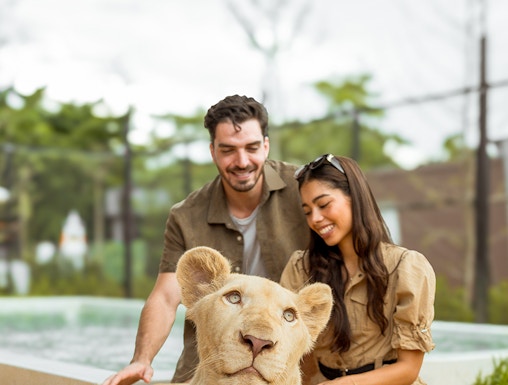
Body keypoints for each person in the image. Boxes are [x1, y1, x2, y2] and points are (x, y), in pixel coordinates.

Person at [102, 95, 309, 385]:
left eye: (251, 148)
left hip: (283, 367)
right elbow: (165, 296)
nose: (241, 161)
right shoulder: (185, 216)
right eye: (228, 150)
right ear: (213, 151)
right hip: (208, 370)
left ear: (266, 145)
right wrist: (142, 359)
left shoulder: (306, 189)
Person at [280, 154, 436, 385]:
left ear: (355, 197)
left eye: (323, 205)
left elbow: (408, 369)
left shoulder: (406, 267)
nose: (316, 218)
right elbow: (294, 350)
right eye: (307, 211)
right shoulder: (300, 267)